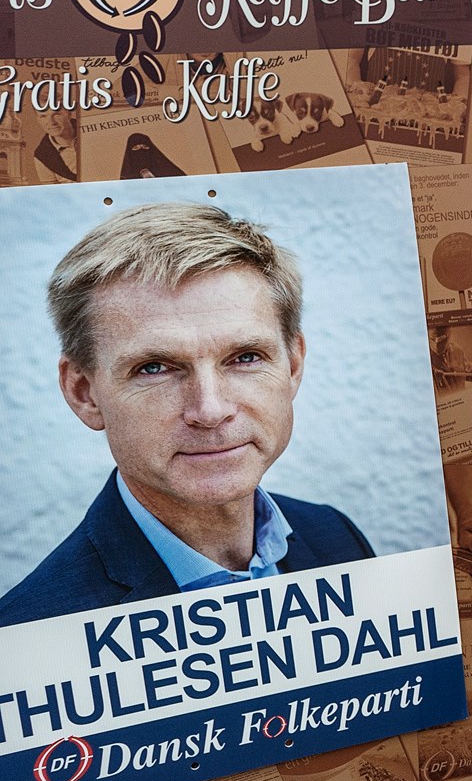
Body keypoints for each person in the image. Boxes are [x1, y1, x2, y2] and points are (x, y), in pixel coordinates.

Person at [1, 203, 373, 627]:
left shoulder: (336, 537)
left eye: (246, 357)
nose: (210, 410)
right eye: (154, 367)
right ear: (84, 392)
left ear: (292, 365)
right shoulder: (31, 638)